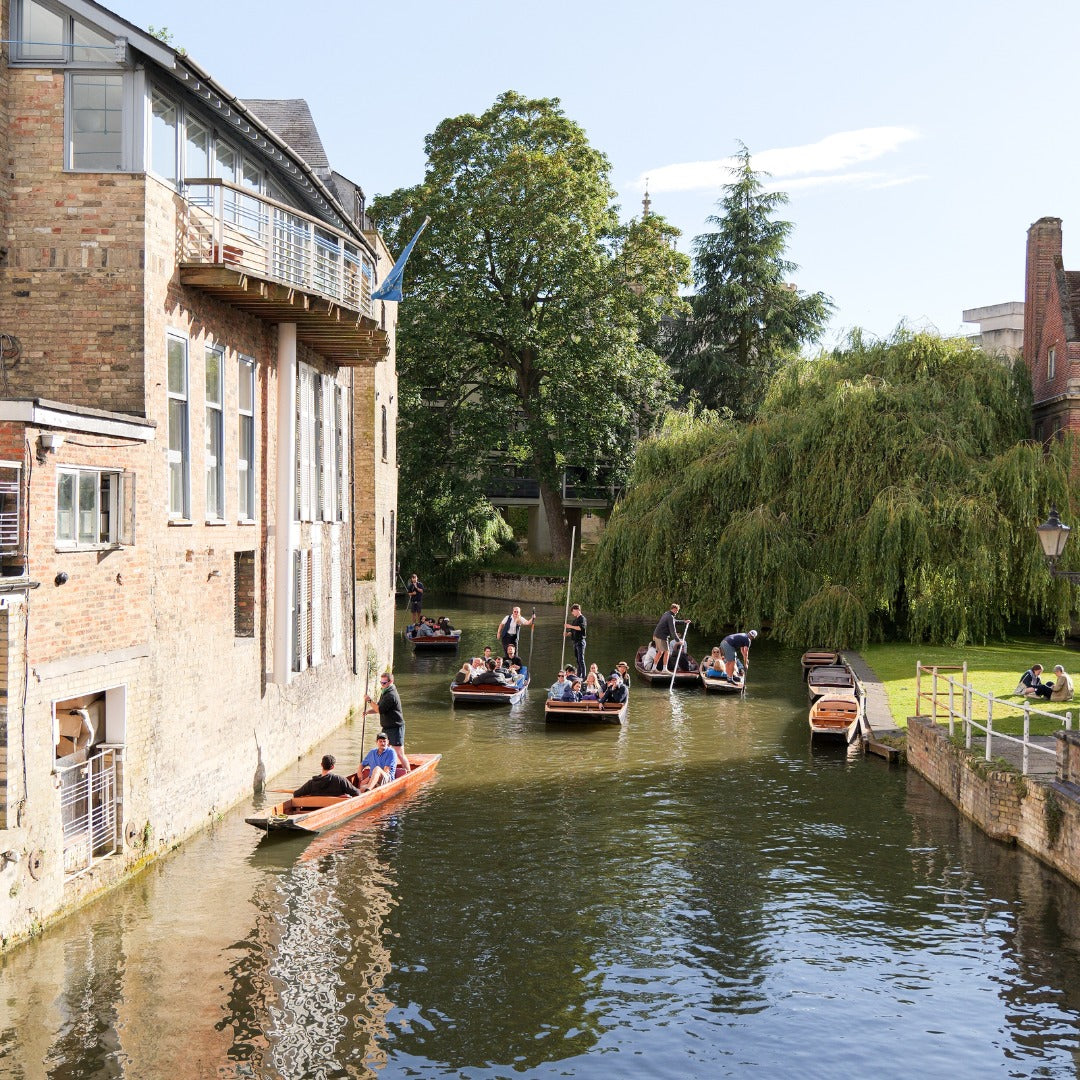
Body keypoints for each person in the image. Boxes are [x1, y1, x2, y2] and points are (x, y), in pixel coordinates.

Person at [364, 671, 410, 773]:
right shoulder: (385, 692)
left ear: (391, 682)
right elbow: (378, 708)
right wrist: (368, 711)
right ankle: (384, 772)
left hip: (396, 727)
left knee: (399, 753)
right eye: (381, 682)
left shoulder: (391, 695)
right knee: (384, 751)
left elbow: (379, 710)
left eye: (384, 683)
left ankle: (408, 772)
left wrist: (369, 701)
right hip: (387, 728)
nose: (382, 685)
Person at [293, 753, 360, 798]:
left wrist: (308, 795)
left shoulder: (311, 783)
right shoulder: (340, 780)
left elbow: (296, 794)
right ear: (332, 767)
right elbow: (357, 793)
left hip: (315, 809)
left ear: (321, 765)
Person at [652, 604, 683, 673]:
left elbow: (674, 622)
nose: (677, 612)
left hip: (656, 635)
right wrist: (678, 641)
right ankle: (664, 669)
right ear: (674, 609)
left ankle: (654, 668)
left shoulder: (666, 614)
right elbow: (673, 631)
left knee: (660, 652)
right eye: (677, 610)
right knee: (667, 652)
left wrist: (684, 622)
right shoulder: (670, 617)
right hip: (662, 636)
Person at [564, 603, 587, 678]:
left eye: (573, 611)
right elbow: (572, 631)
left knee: (581, 660)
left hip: (580, 641)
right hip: (575, 642)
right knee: (578, 660)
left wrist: (570, 626)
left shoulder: (582, 618)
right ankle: (579, 675)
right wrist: (567, 634)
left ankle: (583, 676)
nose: (572, 613)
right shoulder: (574, 621)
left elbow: (580, 628)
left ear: (577, 610)